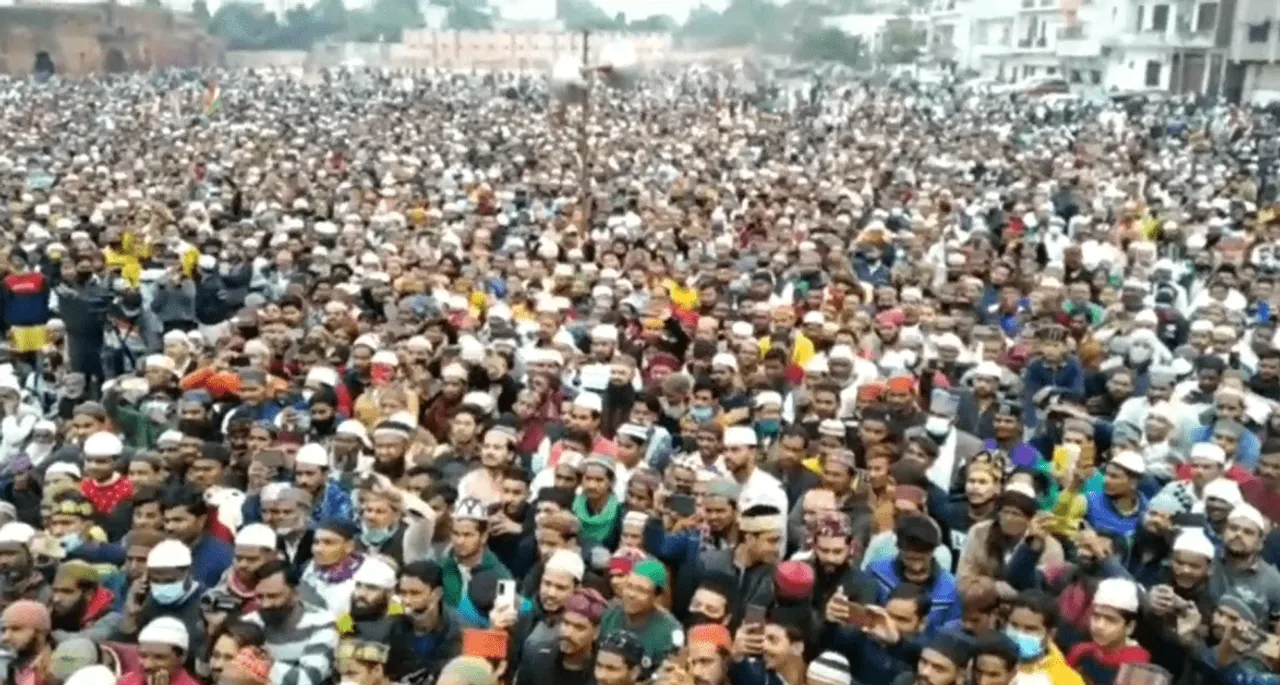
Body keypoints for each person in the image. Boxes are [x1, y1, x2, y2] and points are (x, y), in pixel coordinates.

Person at [242, 560, 338, 685]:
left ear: (296, 594)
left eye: (273, 596)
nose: (265, 604)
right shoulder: (249, 623)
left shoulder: (323, 623)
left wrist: (261, 664)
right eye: (260, 597)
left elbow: (307, 681)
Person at [512, 588, 607, 685]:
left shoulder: (606, 672)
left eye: (579, 628)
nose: (567, 633)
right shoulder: (535, 657)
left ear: (596, 632)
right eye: (566, 623)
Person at [117, 617, 200, 685]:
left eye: (159, 657)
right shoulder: (127, 681)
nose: (148, 665)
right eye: (143, 656)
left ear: (182, 658)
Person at [1, 600, 53, 685]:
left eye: (16, 629)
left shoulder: (60, 667)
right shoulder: (13, 667)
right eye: (4, 630)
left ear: (41, 633)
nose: (5, 637)